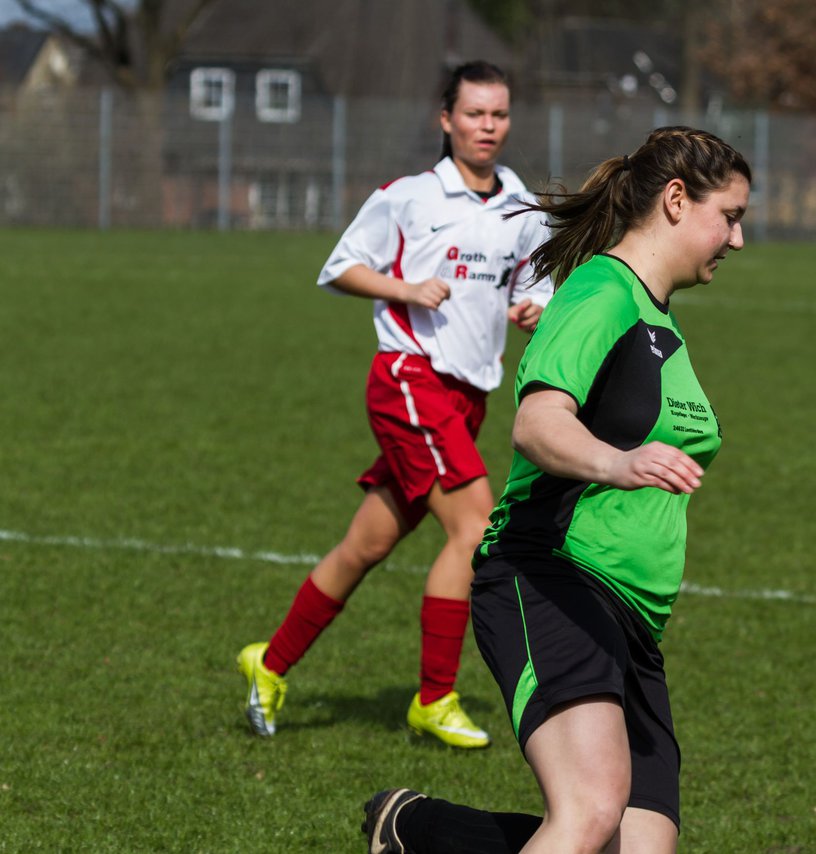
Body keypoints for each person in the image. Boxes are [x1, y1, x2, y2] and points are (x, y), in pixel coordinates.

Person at [360, 125, 752, 853]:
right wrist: (617, 462)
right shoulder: (601, 293)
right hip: (553, 581)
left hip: (632, 621)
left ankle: (421, 830)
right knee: (591, 812)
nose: (736, 240)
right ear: (675, 201)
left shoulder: (656, 316)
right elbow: (538, 423)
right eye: (729, 217)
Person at [236, 60, 553, 749]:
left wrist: (534, 306)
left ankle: (270, 662)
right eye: (474, 114)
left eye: (498, 114)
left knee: (366, 544)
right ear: (447, 120)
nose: (487, 127)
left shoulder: (520, 203)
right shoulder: (410, 196)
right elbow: (339, 267)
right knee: (474, 531)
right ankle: (434, 698)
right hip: (409, 381)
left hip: (468, 396)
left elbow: (539, 277)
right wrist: (407, 291)